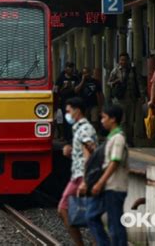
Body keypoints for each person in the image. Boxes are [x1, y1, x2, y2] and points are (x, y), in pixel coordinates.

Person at [86, 105, 128, 246]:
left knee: (115, 225)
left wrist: (99, 183)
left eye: (104, 117)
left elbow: (114, 162)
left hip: (115, 186)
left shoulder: (118, 138)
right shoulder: (111, 137)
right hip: (107, 187)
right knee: (92, 216)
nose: (102, 121)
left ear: (113, 119)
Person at [58, 97, 97, 246]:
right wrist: (72, 151)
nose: (67, 114)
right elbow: (85, 151)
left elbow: (90, 151)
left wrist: (86, 180)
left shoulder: (85, 128)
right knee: (91, 213)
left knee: (64, 208)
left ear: (77, 110)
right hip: (79, 175)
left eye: (68, 111)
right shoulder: (79, 128)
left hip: (82, 176)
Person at [108, 53, 143, 147]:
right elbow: (109, 82)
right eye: (121, 60)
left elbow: (139, 83)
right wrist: (116, 81)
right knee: (122, 121)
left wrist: (141, 96)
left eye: (125, 60)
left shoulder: (133, 70)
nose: (123, 62)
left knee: (130, 121)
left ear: (128, 60)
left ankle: (130, 140)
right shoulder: (116, 70)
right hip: (119, 99)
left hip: (131, 99)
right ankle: (122, 141)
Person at [54, 62, 80, 143]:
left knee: (73, 118)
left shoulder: (75, 78)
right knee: (65, 119)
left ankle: (72, 136)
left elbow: (77, 89)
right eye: (69, 67)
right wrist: (63, 88)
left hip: (73, 101)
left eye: (72, 67)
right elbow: (55, 90)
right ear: (65, 68)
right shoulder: (61, 78)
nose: (70, 69)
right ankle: (65, 136)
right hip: (63, 102)